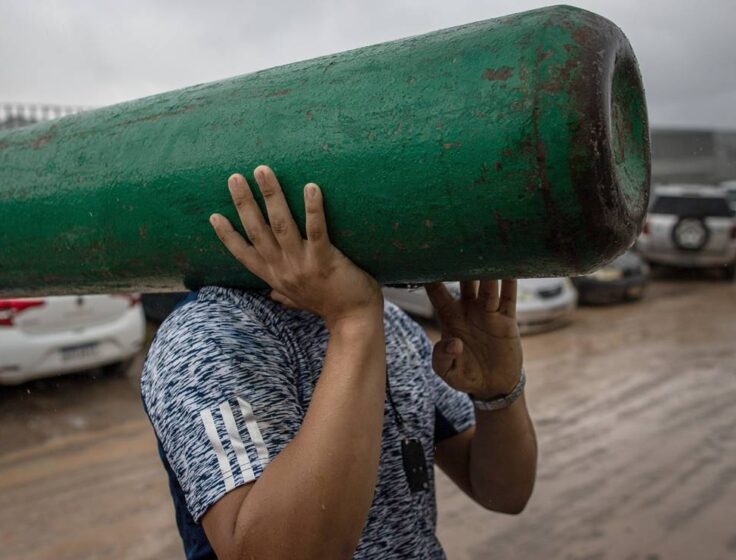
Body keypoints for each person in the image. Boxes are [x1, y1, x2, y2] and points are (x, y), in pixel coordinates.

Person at [141, 165, 538, 560]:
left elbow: (505, 493)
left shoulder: (392, 324)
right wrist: (352, 323)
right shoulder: (207, 335)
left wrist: (500, 394)